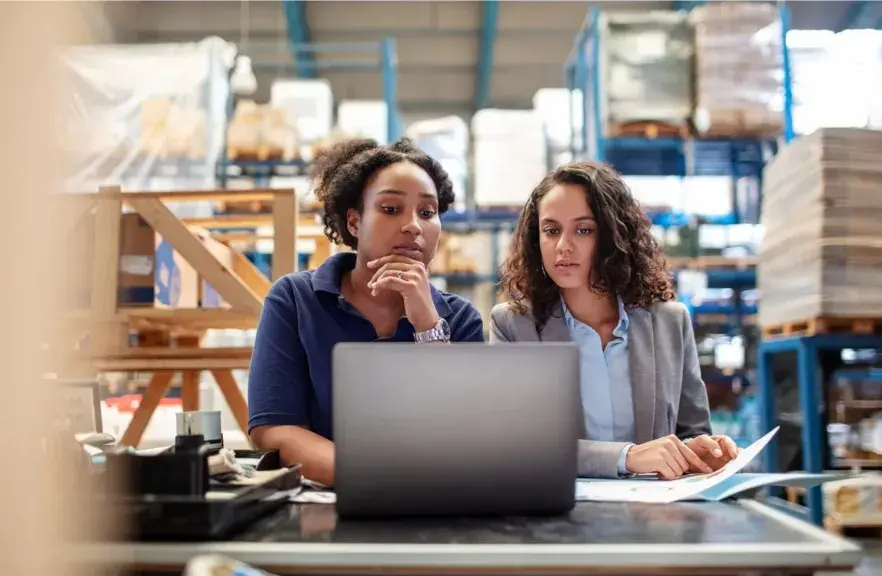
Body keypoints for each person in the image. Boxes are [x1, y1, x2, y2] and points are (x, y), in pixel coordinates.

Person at [248, 137, 485, 490]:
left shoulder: (462, 319)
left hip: (434, 509)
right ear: (355, 223)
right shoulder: (295, 300)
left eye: (427, 212)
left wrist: (427, 323)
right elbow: (273, 429)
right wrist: (377, 478)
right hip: (328, 508)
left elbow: (464, 436)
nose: (413, 226)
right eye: (391, 209)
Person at [491, 161, 739, 485]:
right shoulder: (513, 326)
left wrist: (699, 451)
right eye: (551, 230)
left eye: (583, 230)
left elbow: (691, 432)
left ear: (612, 236)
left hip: (654, 518)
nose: (564, 245)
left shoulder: (670, 322)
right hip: (559, 517)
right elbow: (518, 447)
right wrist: (627, 457)